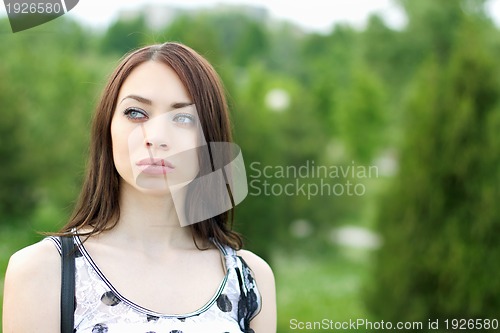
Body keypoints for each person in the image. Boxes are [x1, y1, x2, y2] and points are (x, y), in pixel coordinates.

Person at [2, 42, 276, 333]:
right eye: (136, 113)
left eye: (183, 118)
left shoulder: (249, 278)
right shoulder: (44, 272)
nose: (156, 137)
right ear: (107, 129)